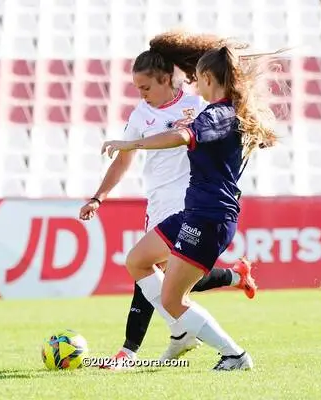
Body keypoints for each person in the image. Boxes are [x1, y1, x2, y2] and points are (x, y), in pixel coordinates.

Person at [79, 31, 257, 368]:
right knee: (142, 265)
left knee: (169, 289)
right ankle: (209, 306)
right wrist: (99, 197)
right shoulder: (142, 116)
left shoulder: (202, 108)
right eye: (137, 90)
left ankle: (135, 351)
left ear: (166, 79)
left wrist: (133, 144)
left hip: (198, 207)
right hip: (177, 206)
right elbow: (125, 159)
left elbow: (188, 136)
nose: (142, 95)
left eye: (146, 87)